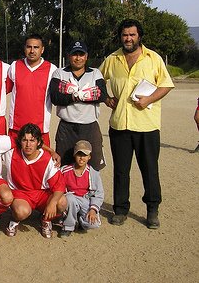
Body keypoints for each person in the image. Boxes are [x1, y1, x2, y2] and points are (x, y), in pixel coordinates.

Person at [100, 19, 174, 229]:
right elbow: (97, 79)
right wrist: (106, 98)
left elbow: (166, 84)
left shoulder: (153, 58)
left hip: (147, 126)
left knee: (149, 169)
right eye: (125, 35)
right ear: (120, 37)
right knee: (121, 171)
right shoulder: (113, 59)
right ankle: (120, 209)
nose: (128, 39)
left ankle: (152, 210)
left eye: (132, 35)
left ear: (139, 36)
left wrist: (149, 100)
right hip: (120, 125)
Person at [50, 40, 108, 170]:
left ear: (86, 56)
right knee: (64, 165)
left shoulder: (95, 73)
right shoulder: (59, 73)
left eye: (81, 54)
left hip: (90, 126)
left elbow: (102, 95)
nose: (78, 58)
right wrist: (77, 96)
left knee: (93, 166)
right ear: (69, 56)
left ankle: (93, 190)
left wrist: (75, 94)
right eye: (74, 54)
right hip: (67, 127)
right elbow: (55, 97)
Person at [3, 123, 67, 239]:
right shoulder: (10, 153)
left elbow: (59, 186)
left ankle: (46, 220)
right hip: (20, 193)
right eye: (24, 140)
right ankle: (15, 219)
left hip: (42, 194)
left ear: (38, 142)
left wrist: (52, 203)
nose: (28, 145)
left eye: (32, 140)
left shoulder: (48, 159)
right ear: (20, 141)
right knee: (21, 212)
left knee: (61, 202)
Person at [7, 34, 57, 146]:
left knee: (41, 162)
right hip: (17, 127)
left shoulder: (52, 70)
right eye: (29, 47)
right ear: (24, 48)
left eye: (36, 47)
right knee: (15, 162)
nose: (32, 51)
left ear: (42, 49)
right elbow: (3, 90)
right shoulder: (14, 66)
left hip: (40, 129)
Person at [59, 140, 104, 237]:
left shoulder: (93, 173)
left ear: (89, 157)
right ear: (74, 155)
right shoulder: (64, 170)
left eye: (85, 155)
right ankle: (68, 226)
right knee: (70, 199)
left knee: (93, 224)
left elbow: (98, 194)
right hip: (70, 200)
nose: (81, 158)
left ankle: (79, 220)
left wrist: (93, 209)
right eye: (79, 154)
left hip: (85, 201)